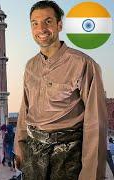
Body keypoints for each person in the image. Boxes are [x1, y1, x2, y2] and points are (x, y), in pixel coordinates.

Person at [14, 1, 108, 180]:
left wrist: (91, 173)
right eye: (35, 23)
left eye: (48, 21)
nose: (41, 28)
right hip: (34, 153)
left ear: (59, 25)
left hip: (68, 154)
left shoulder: (83, 63)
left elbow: (95, 122)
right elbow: (25, 110)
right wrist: (19, 147)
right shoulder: (31, 66)